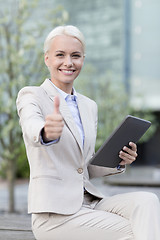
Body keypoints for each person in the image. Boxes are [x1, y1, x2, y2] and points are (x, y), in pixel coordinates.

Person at [16, 25, 160, 240]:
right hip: (54, 215)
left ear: (83, 59)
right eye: (60, 55)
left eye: (76, 55)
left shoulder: (88, 106)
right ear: (47, 59)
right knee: (134, 232)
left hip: (91, 202)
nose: (68, 62)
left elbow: (83, 168)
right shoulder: (32, 96)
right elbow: (31, 126)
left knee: (148, 201)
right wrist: (46, 131)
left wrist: (119, 160)